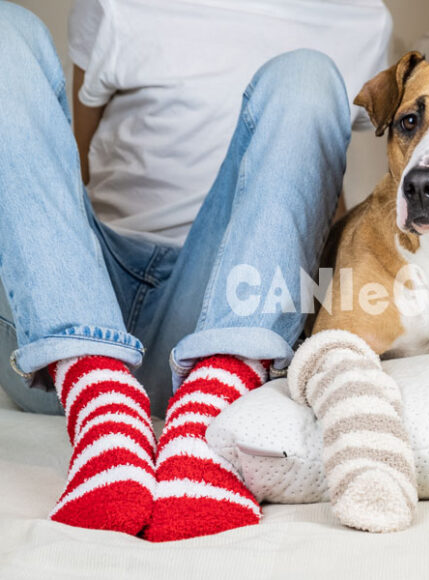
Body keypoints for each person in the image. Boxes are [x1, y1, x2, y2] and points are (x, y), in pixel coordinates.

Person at [0, 0, 390, 542]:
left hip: (221, 302)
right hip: (78, 288)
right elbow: (60, 166)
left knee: (308, 74)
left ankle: (214, 396)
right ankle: (97, 392)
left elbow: (313, 186)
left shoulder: (361, 19)